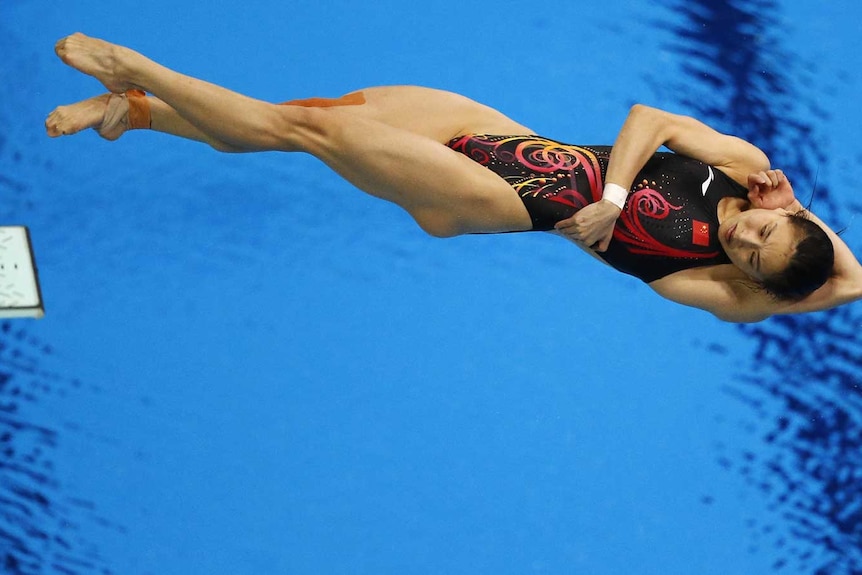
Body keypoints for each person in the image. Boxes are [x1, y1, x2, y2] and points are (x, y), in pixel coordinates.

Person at [45, 33, 862, 323]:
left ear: (749, 284)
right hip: (497, 131)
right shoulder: (748, 170)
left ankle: (137, 68)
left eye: (751, 256)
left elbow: (850, 285)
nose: (742, 237)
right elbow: (647, 115)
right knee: (306, 117)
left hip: (485, 198)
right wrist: (796, 210)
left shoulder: (708, 287)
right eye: (763, 230)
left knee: (309, 130)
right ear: (789, 212)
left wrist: (790, 253)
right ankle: (140, 114)